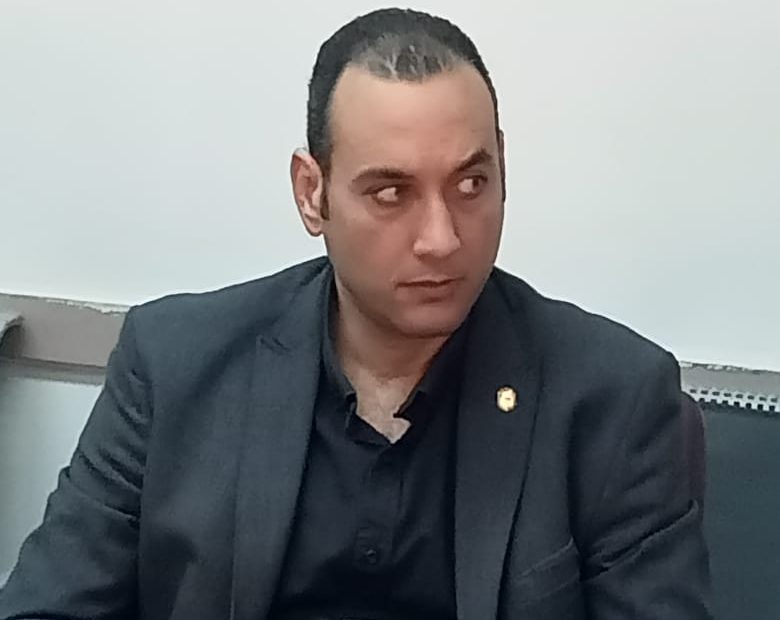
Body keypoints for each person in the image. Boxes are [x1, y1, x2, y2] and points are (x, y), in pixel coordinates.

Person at [0, 7, 712, 620]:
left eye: (470, 183)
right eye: (391, 193)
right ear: (312, 193)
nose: (442, 238)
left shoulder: (615, 400)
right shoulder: (173, 365)